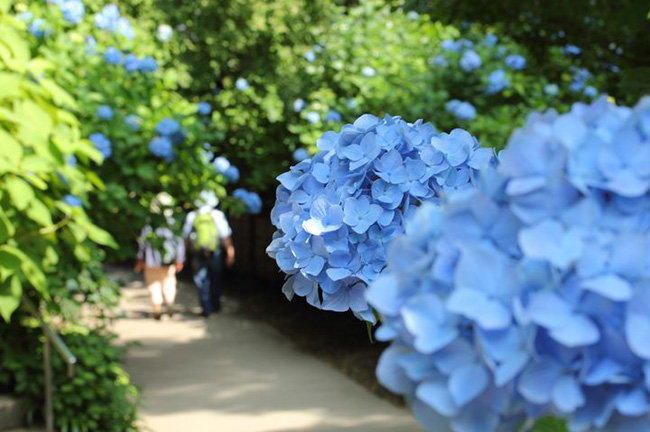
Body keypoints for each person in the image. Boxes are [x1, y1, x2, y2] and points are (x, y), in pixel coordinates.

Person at [183, 191, 235, 317]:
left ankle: (205, 307)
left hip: (197, 253)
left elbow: (185, 237)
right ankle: (215, 306)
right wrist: (230, 253)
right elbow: (225, 236)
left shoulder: (192, 215)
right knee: (215, 278)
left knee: (201, 280)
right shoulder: (217, 214)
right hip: (214, 252)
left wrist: (183, 255)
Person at [135, 193, 185, 320]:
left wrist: (140, 258)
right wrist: (180, 259)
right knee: (169, 282)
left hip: (151, 261)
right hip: (168, 260)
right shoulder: (174, 223)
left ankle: (157, 306)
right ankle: (169, 303)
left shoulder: (149, 223)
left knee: (153, 284)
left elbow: (143, 242)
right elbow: (179, 243)